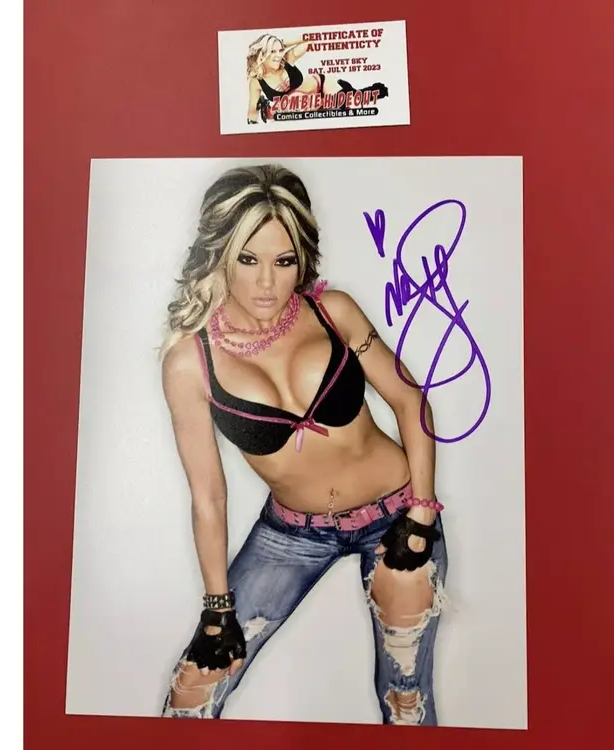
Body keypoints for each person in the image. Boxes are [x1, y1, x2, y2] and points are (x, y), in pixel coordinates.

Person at [158, 164, 448, 725]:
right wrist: (217, 608)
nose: (267, 283)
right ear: (220, 254)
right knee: (191, 695)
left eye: (284, 261)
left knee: (406, 697)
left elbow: (410, 400)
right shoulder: (190, 364)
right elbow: (209, 496)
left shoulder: (333, 312)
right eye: (248, 260)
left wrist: (422, 511)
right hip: (291, 535)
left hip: (398, 514)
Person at [246, 34, 388, 124]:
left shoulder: (287, 59)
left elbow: (311, 39)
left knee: (349, 104)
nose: (278, 55)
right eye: (273, 51)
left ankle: (355, 89)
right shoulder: (257, 81)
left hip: (322, 87)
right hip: (307, 106)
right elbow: (252, 110)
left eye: (280, 50)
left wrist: (281, 43)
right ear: (262, 54)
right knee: (285, 107)